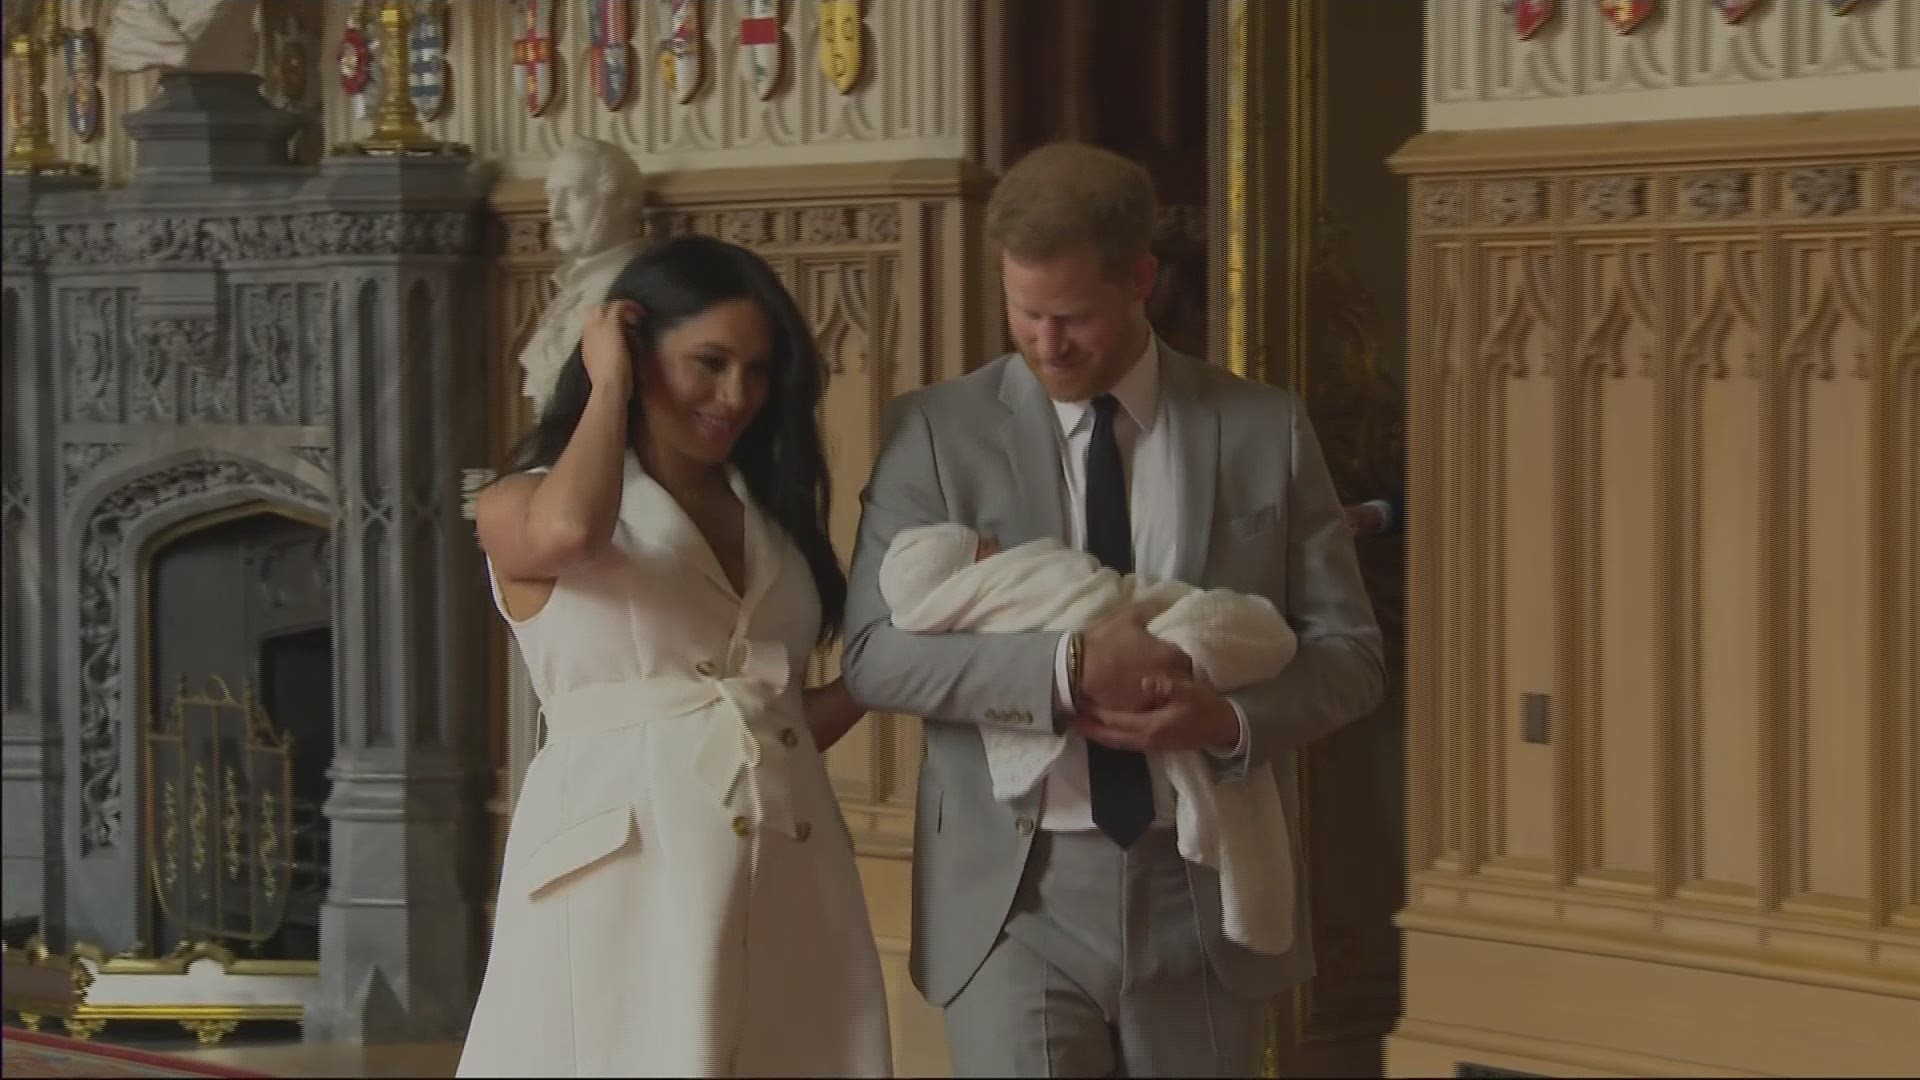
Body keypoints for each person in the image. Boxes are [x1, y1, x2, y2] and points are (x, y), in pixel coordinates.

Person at [841, 141, 1385, 1078]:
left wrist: (1226, 719)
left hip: (1202, 886)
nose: (1046, 344)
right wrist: (1065, 670)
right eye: (1025, 313)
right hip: (1013, 897)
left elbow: (1351, 656)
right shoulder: (935, 431)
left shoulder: (1262, 427)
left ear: (1140, 280)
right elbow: (872, 657)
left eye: (1074, 318)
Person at [459, 235, 891, 1078]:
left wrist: (890, 671)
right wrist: (609, 386)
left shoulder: (774, 525)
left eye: (758, 371)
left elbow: (775, 723)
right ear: (635, 347)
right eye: (710, 362)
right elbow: (571, 534)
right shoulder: (518, 503)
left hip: (791, 878)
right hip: (625, 887)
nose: (737, 396)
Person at [880, 522, 1302, 956]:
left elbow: (1088, 588)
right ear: (976, 561)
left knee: (1227, 635)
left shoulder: (1018, 572)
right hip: (1022, 885)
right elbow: (872, 664)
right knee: (1230, 627)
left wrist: (1217, 714)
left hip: (1181, 887)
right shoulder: (1010, 571)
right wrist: (1075, 663)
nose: (1000, 546)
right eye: (988, 547)